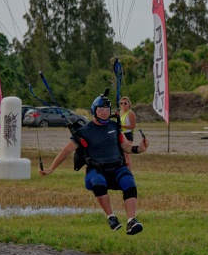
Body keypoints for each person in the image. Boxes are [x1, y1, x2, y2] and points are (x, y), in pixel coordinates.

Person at [40, 94, 149, 235]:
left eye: (107, 109)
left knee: (129, 181)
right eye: (101, 109)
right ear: (94, 111)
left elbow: (126, 146)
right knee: (98, 182)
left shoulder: (114, 126)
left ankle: (131, 221)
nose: (105, 112)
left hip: (117, 167)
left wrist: (139, 148)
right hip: (97, 170)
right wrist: (51, 168)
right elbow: (66, 151)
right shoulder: (85, 131)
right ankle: (111, 217)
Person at [118, 96, 137, 169]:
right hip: (121, 134)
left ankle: (129, 170)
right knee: (120, 153)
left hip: (128, 135)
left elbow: (133, 126)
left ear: (129, 104)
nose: (123, 105)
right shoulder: (120, 112)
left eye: (125, 103)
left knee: (126, 153)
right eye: (121, 103)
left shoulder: (130, 113)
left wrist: (122, 126)